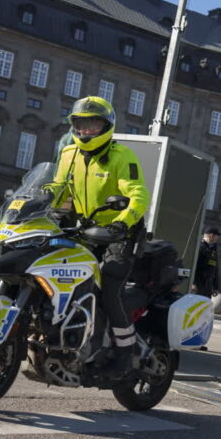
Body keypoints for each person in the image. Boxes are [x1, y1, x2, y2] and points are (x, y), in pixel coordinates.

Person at [46, 96, 149, 375]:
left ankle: (124, 356)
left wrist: (122, 222)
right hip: (83, 230)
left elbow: (137, 196)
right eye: (81, 124)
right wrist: (43, 202)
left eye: (93, 124)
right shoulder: (68, 154)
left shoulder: (122, 156)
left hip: (119, 234)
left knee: (108, 290)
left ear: (106, 125)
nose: (87, 130)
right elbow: (59, 189)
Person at [193, 227, 221, 296]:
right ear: (211, 236)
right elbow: (193, 266)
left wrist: (216, 287)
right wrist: (193, 283)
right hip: (198, 284)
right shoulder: (200, 247)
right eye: (216, 236)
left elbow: (215, 270)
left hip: (208, 286)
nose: (217, 238)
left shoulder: (213, 249)